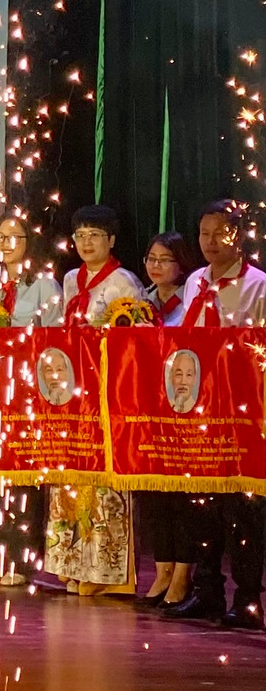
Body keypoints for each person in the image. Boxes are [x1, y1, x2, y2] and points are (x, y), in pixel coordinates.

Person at [168, 199, 266, 628]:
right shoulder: (194, 282)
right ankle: (206, 590)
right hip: (200, 409)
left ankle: (248, 599)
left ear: (238, 237)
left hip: (242, 413)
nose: (209, 242)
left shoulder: (258, 286)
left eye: (218, 233)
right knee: (201, 503)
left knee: (243, 509)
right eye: (203, 233)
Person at [46, 205, 141, 596]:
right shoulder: (71, 279)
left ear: (111, 240)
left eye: (95, 235)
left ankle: (105, 572)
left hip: (106, 394)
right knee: (70, 479)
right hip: (72, 392)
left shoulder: (123, 282)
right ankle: (70, 562)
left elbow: (135, 342)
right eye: (80, 235)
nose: (86, 243)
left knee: (103, 484)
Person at [0, 209, 62, 586]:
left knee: (23, 477)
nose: (6, 244)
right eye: (0, 238)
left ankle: (22, 561)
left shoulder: (44, 285)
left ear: (29, 242)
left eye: (14, 237)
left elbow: (55, 339)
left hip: (27, 393)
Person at [136, 230, 194, 607]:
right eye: (151, 259)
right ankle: (162, 571)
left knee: (181, 495)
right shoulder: (140, 301)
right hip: (147, 407)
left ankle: (183, 575)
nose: (156, 266)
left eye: (165, 259)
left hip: (183, 407)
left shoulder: (191, 300)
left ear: (181, 264)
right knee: (153, 491)